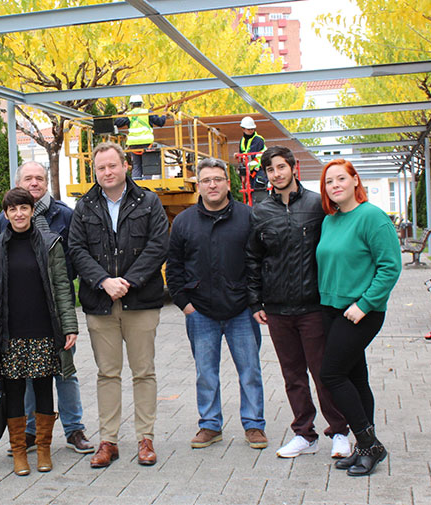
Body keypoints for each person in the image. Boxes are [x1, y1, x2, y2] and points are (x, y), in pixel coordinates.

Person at [245, 146, 351, 459]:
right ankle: (304, 434)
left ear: (293, 168)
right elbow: (253, 258)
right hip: (277, 309)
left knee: (324, 374)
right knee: (293, 376)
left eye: (281, 167)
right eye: (270, 170)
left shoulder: (318, 205)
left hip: (314, 307)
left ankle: (340, 432)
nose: (276, 174)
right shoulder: (260, 211)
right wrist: (256, 302)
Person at [68, 141, 169, 468]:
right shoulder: (84, 207)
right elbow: (77, 250)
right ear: (94, 172)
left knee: (144, 372)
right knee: (107, 374)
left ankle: (145, 439)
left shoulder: (149, 201)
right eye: (101, 168)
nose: (107, 172)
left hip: (140, 301)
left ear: (126, 166)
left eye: (112, 166)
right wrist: (103, 281)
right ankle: (108, 441)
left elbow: (158, 245)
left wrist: (128, 281)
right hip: (100, 303)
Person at [0, 162, 94, 454]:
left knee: (65, 372)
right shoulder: (2, 219)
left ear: (47, 183)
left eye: (39, 178)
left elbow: (74, 259)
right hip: (20, 315)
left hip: (54, 313)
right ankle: (33, 433)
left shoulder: (65, 215)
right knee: (26, 373)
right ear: (18, 183)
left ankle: (74, 430)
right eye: (28, 178)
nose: (34, 182)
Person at [166, 157, 267, 451]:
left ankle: (254, 425)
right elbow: (174, 267)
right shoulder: (184, 222)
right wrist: (184, 303)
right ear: (199, 185)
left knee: (250, 371)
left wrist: (256, 302)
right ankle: (210, 425)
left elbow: (258, 263)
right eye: (206, 180)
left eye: (217, 179)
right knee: (205, 373)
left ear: (227, 183)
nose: (212, 185)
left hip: (242, 312)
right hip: (200, 312)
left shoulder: (249, 217)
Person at [316, 159, 401, 477]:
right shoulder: (330, 221)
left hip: (360, 312)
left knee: (332, 375)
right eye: (328, 181)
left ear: (355, 181)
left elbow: (390, 266)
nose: (334, 185)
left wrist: (365, 304)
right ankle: (365, 446)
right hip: (331, 309)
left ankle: (369, 445)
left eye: (341, 178)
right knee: (355, 378)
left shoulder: (372, 217)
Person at [114, 95, 167, 180]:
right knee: (148, 165)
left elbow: (117, 122)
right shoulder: (147, 112)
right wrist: (164, 115)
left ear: (131, 105)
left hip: (134, 144)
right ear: (142, 104)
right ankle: (147, 184)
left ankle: (136, 183)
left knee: (137, 165)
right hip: (146, 143)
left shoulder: (129, 115)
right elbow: (160, 122)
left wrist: (123, 114)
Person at [238, 116, 268, 204]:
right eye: (249, 129)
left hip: (259, 169)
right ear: (243, 129)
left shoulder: (258, 139)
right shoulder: (242, 140)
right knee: (250, 192)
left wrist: (243, 158)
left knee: (260, 190)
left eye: (252, 129)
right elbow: (242, 153)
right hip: (250, 171)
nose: (251, 130)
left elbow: (251, 155)